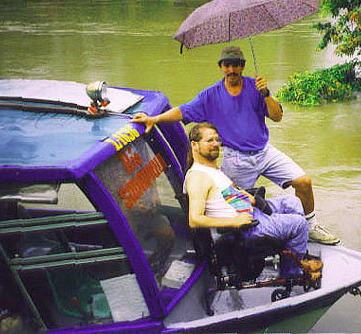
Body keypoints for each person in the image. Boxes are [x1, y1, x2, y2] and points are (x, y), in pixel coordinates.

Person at [132, 46, 339, 245]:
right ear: (220, 67)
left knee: (304, 182)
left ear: (243, 66)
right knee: (236, 205)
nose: (231, 70)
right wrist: (155, 119)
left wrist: (266, 93)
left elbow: (277, 117)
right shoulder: (210, 95)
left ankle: (310, 227)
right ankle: (239, 246)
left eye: (236, 65)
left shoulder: (256, 87)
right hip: (236, 158)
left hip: (265, 151)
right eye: (227, 65)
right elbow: (182, 111)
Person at [183, 122, 322, 278]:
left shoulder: (210, 168)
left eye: (217, 139)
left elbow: (222, 195)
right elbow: (194, 220)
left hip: (250, 211)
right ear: (194, 145)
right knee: (300, 224)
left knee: (292, 201)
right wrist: (233, 222)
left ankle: (294, 256)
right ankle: (292, 273)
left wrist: (247, 197)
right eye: (209, 141)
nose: (216, 144)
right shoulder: (197, 177)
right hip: (247, 228)